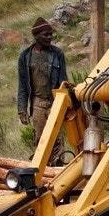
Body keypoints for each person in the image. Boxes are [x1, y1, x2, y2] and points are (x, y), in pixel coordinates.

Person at [17, 17, 67, 162]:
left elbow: (64, 81)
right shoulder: (25, 57)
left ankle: (58, 170)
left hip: (55, 101)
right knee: (40, 140)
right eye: (46, 35)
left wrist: (66, 103)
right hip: (37, 103)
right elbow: (22, 86)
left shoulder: (57, 54)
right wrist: (22, 110)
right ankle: (42, 171)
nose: (50, 37)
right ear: (36, 36)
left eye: (51, 34)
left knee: (58, 139)